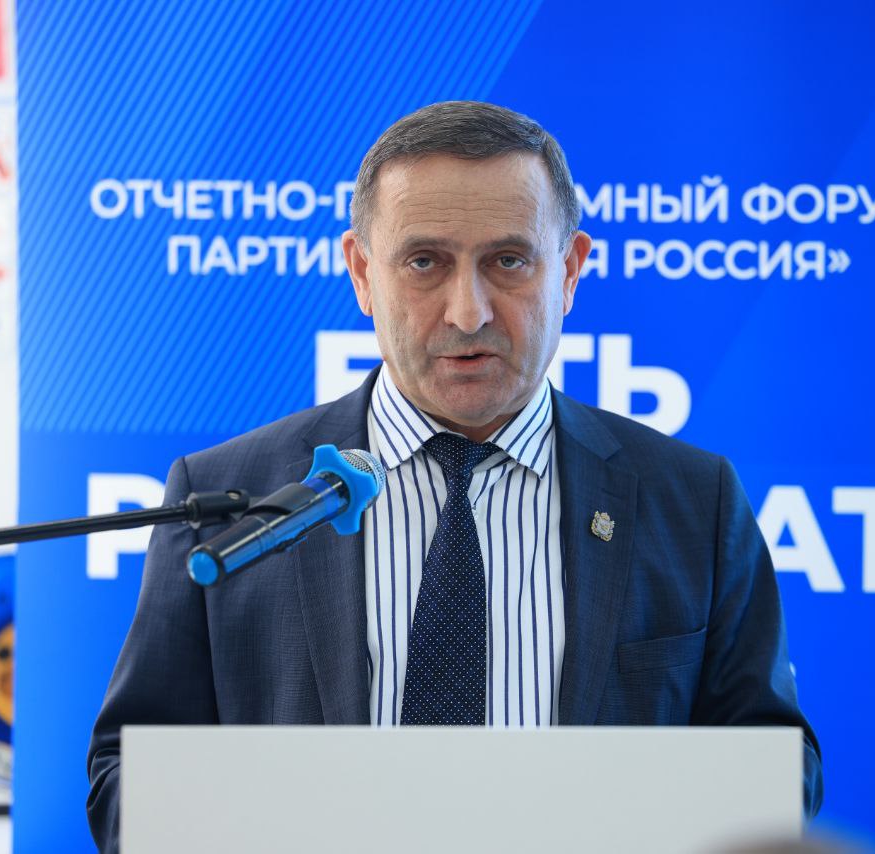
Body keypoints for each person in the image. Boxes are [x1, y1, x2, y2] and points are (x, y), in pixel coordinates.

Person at [87, 101, 823, 850]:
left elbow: (775, 775)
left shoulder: (693, 501)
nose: (468, 313)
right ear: (362, 272)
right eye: (424, 262)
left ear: (569, 271)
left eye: (508, 261)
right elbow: (127, 782)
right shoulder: (231, 500)